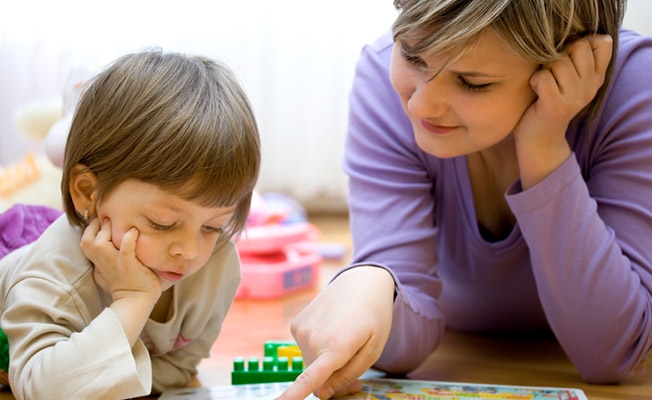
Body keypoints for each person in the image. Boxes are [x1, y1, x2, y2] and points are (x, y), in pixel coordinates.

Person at [278, 0, 652, 399]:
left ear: (566, 66)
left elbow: (610, 354)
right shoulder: (381, 82)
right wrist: (374, 281)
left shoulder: (635, 85)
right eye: (412, 56)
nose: (420, 105)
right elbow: (399, 352)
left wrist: (543, 147)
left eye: (473, 82)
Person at [0, 50, 260, 399]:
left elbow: (181, 369)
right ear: (87, 192)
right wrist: (134, 300)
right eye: (163, 222)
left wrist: (108, 375)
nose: (191, 249)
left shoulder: (216, 266)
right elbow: (41, 389)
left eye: (212, 227)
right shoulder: (54, 273)